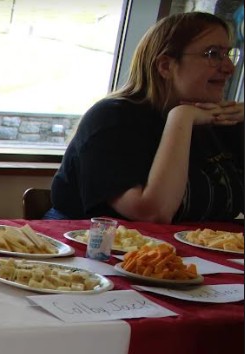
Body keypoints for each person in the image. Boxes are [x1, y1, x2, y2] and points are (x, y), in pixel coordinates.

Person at [50, 12, 244, 223]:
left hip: (197, 254)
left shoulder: (226, 120)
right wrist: (181, 119)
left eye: (229, 54)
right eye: (213, 54)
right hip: (96, 250)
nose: (229, 68)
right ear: (165, 66)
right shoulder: (112, 118)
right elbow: (152, 213)